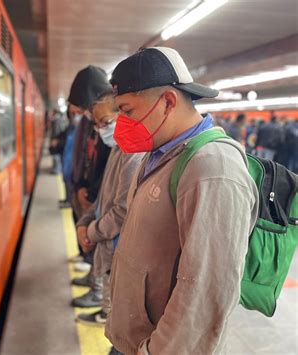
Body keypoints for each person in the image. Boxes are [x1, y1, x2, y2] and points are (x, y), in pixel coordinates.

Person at [105, 47, 259, 354]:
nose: (121, 123)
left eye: (127, 110)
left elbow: (207, 289)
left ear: (167, 102)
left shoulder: (214, 168)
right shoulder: (158, 154)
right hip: (134, 340)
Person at [75, 93, 145, 327]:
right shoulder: (118, 149)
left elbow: (122, 210)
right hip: (107, 242)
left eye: (105, 122)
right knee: (109, 295)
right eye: (97, 124)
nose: (100, 129)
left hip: (116, 246)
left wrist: (90, 232)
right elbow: (104, 196)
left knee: (115, 306)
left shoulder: (133, 154)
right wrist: (83, 223)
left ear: (122, 116)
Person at [67, 66, 112, 306]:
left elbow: (104, 166)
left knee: (101, 246)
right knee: (93, 244)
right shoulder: (91, 121)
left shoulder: (110, 127)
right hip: (91, 192)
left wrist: (92, 191)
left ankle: (98, 292)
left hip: (100, 196)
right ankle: (94, 281)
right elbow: (85, 156)